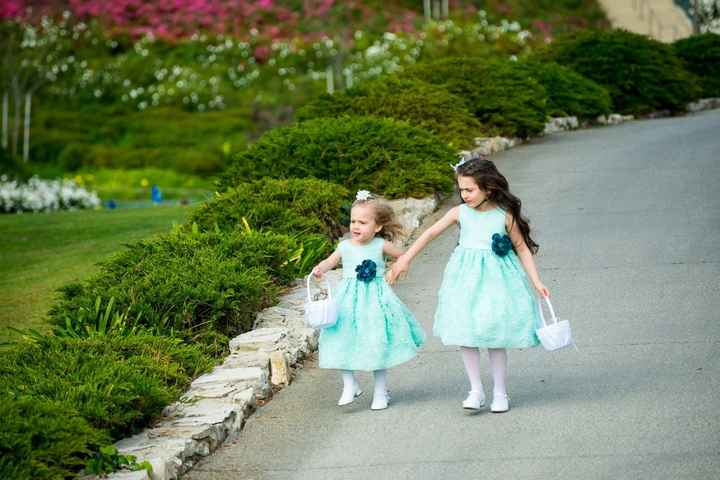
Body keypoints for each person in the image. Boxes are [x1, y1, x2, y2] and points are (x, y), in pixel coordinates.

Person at [387, 157, 549, 413]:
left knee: (495, 334)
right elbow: (429, 233)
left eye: (469, 190)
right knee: (466, 332)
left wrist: (536, 281)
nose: (464, 195)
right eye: (461, 189)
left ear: (489, 188)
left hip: (498, 281)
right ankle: (475, 390)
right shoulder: (459, 212)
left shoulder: (503, 216)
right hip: (464, 280)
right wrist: (405, 259)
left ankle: (500, 393)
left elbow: (521, 247)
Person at [312, 190, 426, 410]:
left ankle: (381, 391)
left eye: (363, 222)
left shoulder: (379, 245)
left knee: (377, 341)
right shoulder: (345, 246)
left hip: (375, 299)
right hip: (347, 300)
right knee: (340, 337)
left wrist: (394, 271)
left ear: (377, 227)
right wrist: (320, 269)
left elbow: (403, 256)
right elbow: (330, 261)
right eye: (353, 221)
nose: (356, 226)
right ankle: (349, 384)